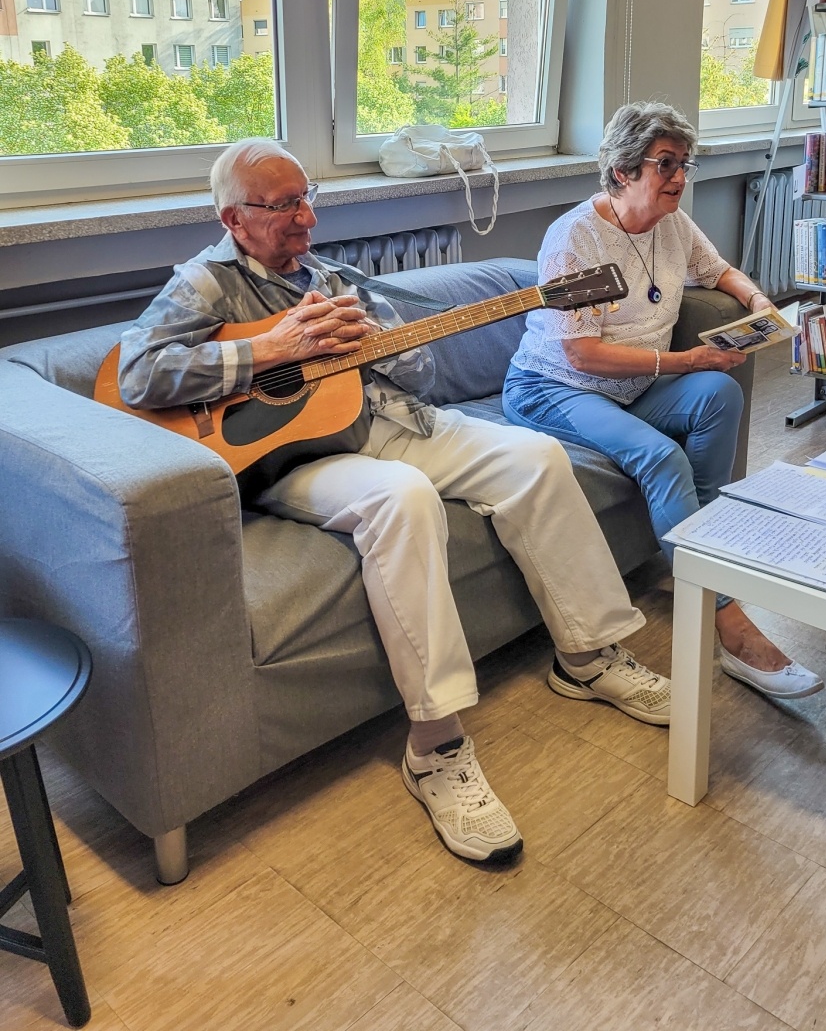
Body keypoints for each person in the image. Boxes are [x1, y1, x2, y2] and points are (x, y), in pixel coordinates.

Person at [117, 137, 672, 866]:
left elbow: (422, 374)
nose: (306, 219)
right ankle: (436, 747)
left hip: (387, 424)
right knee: (404, 499)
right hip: (296, 461)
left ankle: (588, 655)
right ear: (234, 217)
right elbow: (136, 373)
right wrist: (272, 350)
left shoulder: (332, 277)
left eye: (307, 198)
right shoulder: (206, 284)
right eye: (284, 206)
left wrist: (389, 346)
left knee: (537, 457)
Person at [502, 101, 824, 701]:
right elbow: (581, 355)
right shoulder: (574, 239)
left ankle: (706, 554)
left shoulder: (671, 223)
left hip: (631, 388)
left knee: (720, 395)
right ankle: (728, 621)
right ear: (623, 171)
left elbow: (718, 269)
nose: (679, 177)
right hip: (554, 389)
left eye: (684, 164)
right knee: (662, 456)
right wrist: (686, 361)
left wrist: (756, 300)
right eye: (666, 164)